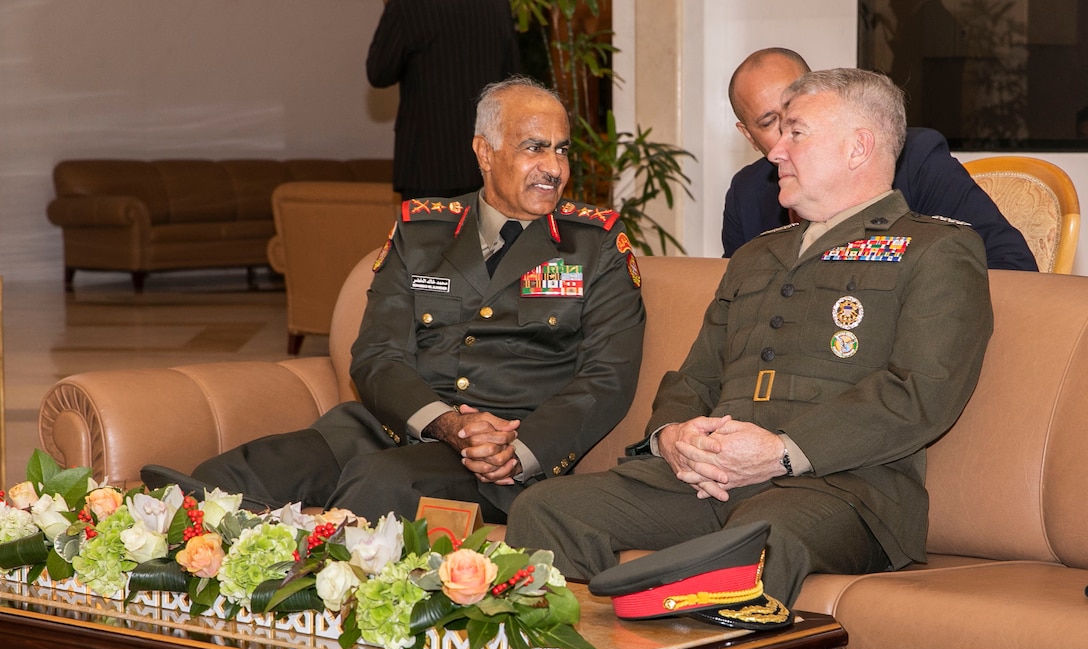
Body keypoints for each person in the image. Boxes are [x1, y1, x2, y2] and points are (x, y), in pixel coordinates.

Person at [506, 68, 994, 608]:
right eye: (777, 133)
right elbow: (696, 374)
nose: (775, 152)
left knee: (755, 544)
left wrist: (784, 453)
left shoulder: (935, 250)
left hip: (839, 488)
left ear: (859, 147)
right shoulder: (757, 254)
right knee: (546, 508)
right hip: (709, 483)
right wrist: (672, 435)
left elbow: (920, 392)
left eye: (796, 133)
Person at [142, 77, 646, 525]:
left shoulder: (595, 244)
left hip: (496, 459)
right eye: (534, 148)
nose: (553, 168)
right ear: (484, 152)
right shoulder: (422, 231)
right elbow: (378, 356)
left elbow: (607, 379)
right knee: (225, 478)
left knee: (379, 487)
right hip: (391, 428)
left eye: (561, 150)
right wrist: (446, 423)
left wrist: (518, 453)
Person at [721, 48, 1038, 271]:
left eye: (798, 111)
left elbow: (1010, 266)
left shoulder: (914, 158)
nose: (786, 133)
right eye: (769, 123)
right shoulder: (746, 194)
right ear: (748, 136)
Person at [367, 0, 519, 200]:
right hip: (483, 159)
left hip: (425, 163)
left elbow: (379, 72)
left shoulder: (406, 6)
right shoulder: (496, 4)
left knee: (426, 231)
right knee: (479, 231)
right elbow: (512, 78)